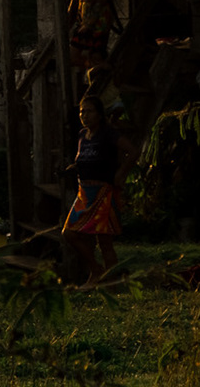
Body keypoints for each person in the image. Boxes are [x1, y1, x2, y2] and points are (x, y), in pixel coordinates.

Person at [61, 94, 136, 286]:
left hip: (103, 193)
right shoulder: (82, 135)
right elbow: (86, 159)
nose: (84, 115)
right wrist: (74, 167)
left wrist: (121, 173)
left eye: (89, 111)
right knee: (69, 233)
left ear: (100, 114)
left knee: (104, 241)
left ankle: (113, 282)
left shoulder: (108, 134)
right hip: (84, 194)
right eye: (81, 112)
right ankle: (96, 269)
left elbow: (133, 151)